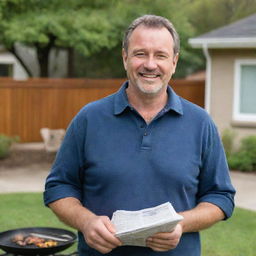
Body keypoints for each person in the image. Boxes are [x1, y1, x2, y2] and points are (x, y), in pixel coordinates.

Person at [44, 14, 235, 256]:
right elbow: (59, 187)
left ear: (174, 62)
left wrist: (180, 223)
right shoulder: (88, 119)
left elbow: (221, 196)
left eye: (161, 55)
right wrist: (86, 221)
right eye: (140, 53)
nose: (150, 64)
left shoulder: (201, 123)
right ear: (125, 58)